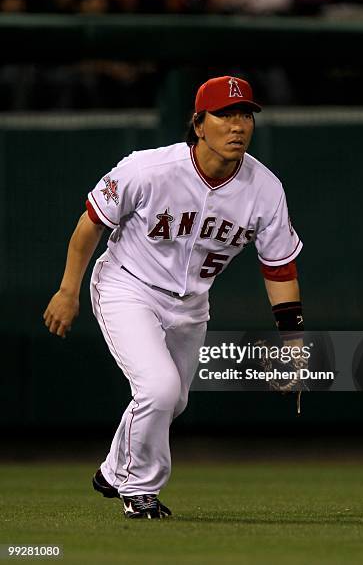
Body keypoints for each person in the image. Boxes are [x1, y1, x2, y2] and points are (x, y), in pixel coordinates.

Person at [43, 75, 303, 519]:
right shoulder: (148, 169)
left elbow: (279, 266)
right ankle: (140, 491)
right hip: (127, 286)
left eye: (245, 115)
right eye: (225, 115)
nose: (238, 125)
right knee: (159, 389)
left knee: (173, 401)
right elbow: (90, 223)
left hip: (191, 304)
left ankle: (114, 468)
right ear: (199, 125)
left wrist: (292, 339)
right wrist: (68, 290)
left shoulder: (266, 189)